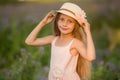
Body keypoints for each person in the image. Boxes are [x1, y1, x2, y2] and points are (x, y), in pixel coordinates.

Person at [25, 2, 96, 80]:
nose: (64, 24)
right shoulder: (53, 39)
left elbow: (91, 57)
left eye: (70, 21)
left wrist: (88, 32)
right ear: (57, 21)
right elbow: (29, 41)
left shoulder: (75, 43)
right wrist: (43, 23)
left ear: (75, 25)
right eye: (62, 19)